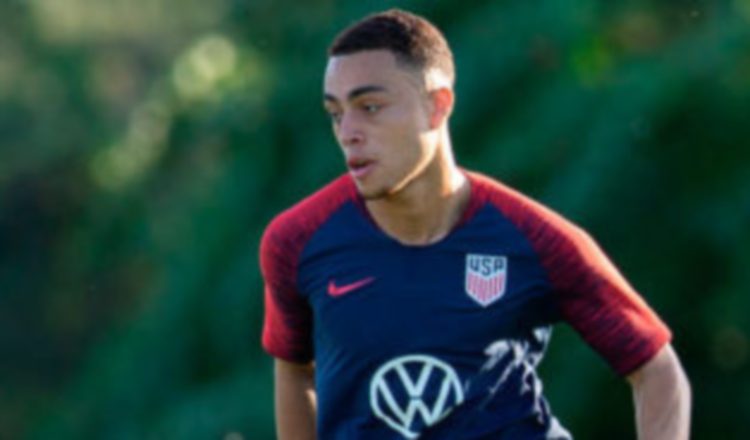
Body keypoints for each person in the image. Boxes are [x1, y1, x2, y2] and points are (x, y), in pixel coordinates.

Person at [260, 9, 691, 439]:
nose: (348, 132)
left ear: (438, 105)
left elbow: (657, 371)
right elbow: (295, 370)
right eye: (336, 113)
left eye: (370, 107)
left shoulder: (534, 238)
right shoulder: (297, 240)